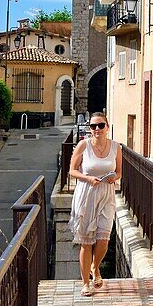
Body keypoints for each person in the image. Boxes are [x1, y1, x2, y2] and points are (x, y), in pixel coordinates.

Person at [67, 111, 122, 296]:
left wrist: (114, 177)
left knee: (103, 239)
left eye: (100, 125)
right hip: (87, 194)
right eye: (93, 126)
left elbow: (119, 172)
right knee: (86, 242)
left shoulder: (116, 147)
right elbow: (72, 171)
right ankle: (86, 283)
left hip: (106, 194)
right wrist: (88, 178)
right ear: (90, 129)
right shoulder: (83, 145)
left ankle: (95, 267)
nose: (97, 129)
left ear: (107, 127)